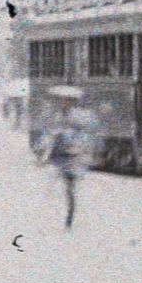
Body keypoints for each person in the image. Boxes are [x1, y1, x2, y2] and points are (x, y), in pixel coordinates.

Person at [47, 98, 95, 229]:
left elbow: (56, 151)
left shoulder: (67, 131)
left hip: (70, 165)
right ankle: (69, 218)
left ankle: (69, 218)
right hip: (71, 165)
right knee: (69, 192)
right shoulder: (73, 131)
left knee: (69, 192)